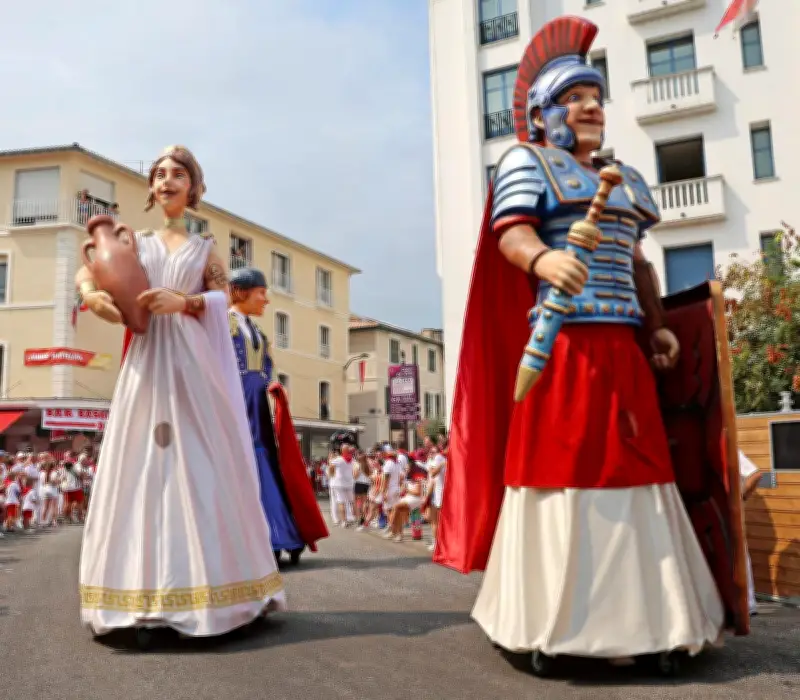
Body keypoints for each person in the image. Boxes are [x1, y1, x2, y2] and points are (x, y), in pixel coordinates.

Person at [434, 16, 725, 675]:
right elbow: (511, 233)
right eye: (575, 97)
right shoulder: (527, 162)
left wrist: (656, 324)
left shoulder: (625, 180)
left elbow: (638, 263)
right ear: (543, 114)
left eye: (596, 96)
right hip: (563, 350)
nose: (591, 106)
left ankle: (659, 621)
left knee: (641, 470)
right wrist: (543, 260)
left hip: (623, 350)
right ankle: (553, 623)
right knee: (563, 469)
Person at [75, 145, 285, 646]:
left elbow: (221, 297)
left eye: (177, 174)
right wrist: (91, 295)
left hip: (192, 361)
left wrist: (184, 301)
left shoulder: (205, 249)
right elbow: (89, 269)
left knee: (200, 462)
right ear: (151, 188)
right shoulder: (135, 240)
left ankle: (215, 593)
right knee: (140, 462)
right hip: (148, 360)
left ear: (193, 187)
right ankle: (136, 595)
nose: (167, 180)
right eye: (159, 174)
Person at [228, 267, 328, 564]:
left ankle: (280, 533)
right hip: (237, 400)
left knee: (265, 460)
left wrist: (273, 385)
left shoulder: (257, 331)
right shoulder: (223, 325)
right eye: (261, 292)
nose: (266, 299)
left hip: (257, 402)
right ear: (241, 292)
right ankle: (271, 536)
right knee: (249, 461)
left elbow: (267, 366)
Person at [738, 450, 762, 616]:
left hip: (729, 509)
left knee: (739, 553)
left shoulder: (729, 448)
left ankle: (748, 603)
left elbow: (755, 474)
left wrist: (741, 496)